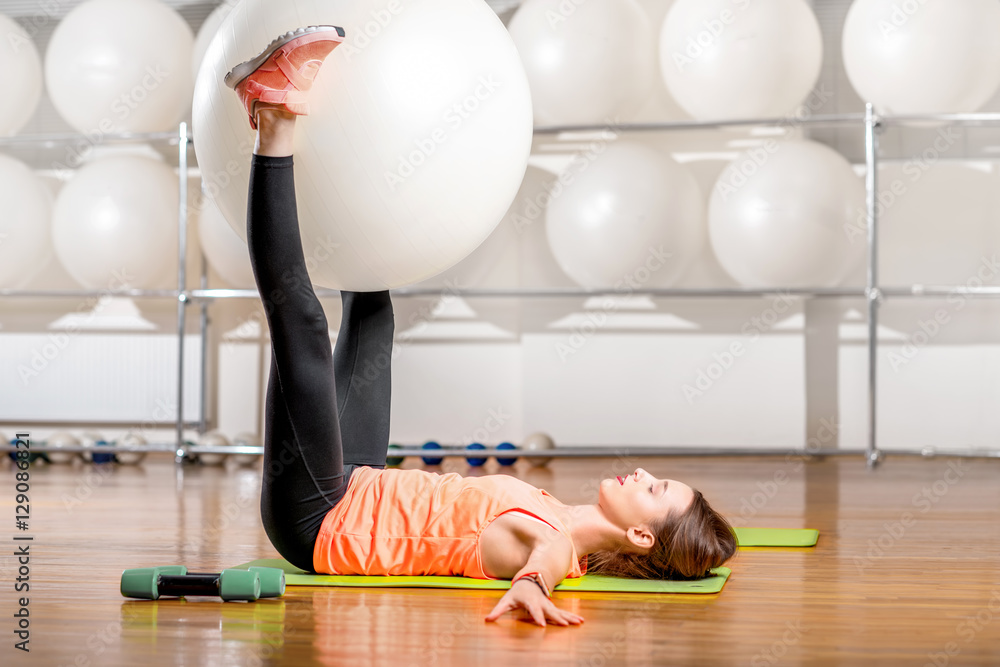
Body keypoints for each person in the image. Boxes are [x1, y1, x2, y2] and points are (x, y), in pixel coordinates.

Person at [226, 25, 738, 628]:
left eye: (655, 492)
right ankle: (364, 143)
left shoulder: (555, 544)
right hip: (361, 483)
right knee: (373, 310)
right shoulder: (557, 510)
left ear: (640, 537)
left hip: (320, 519)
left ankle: (274, 113)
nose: (645, 475)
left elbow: (542, 556)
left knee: (301, 323)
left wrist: (531, 587)